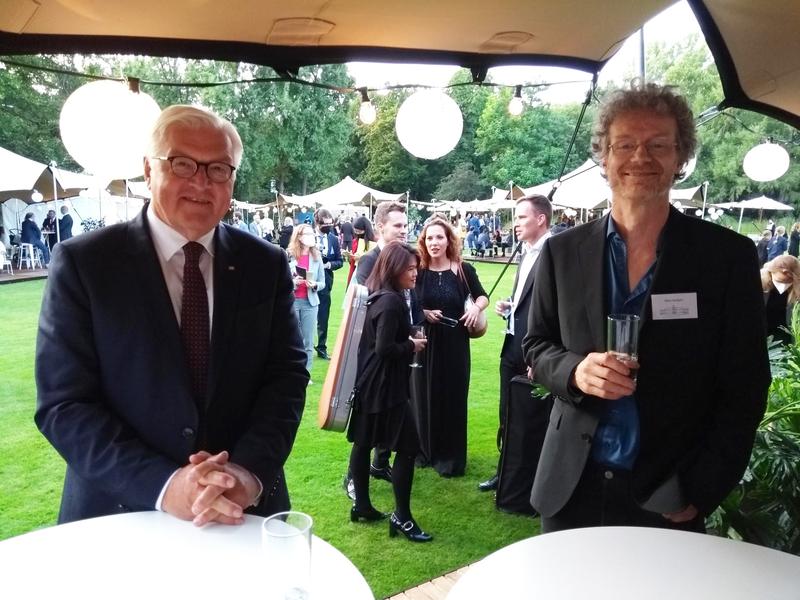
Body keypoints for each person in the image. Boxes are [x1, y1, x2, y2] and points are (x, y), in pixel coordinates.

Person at [35, 105, 308, 526]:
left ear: (232, 179)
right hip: (119, 514)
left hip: (241, 514)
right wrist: (165, 485)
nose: (201, 182)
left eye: (218, 168)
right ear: (149, 169)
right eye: (182, 164)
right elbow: (64, 405)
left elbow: (286, 377)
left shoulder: (264, 264)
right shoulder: (86, 264)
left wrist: (247, 472)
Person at [523, 82, 770, 533]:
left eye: (659, 145)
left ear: (680, 158)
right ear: (604, 156)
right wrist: (576, 372)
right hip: (570, 487)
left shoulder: (725, 258)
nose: (641, 157)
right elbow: (536, 344)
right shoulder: (562, 252)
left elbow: (746, 384)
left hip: (668, 491)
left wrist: (703, 484)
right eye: (625, 144)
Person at [347, 242, 432, 542]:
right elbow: (384, 348)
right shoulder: (392, 301)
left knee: (363, 442)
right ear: (394, 269)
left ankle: (362, 505)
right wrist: (412, 345)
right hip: (385, 387)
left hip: (370, 383)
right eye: (410, 269)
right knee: (408, 448)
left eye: (416, 269)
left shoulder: (379, 296)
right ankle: (402, 517)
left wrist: (404, 336)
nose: (414, 274)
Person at [478, 194, 552, 493]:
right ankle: (505, 472)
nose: (515, 223)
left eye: (521, 217)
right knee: (506, 411)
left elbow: (555, 309)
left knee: (533, 417)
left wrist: (540, 357)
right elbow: (529, 299)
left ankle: (532, 479)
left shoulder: (554, 253)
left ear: (540, 219)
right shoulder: (526, 252)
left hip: (535, 350)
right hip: (512, 343)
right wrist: (510, 305)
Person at [412, 216, 488, 477]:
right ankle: (424, 451)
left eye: (439, 237)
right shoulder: (418, 270)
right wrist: (424, 311)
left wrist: (476, 309)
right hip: (426, 342)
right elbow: (408, 301)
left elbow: (482, 295)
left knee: (453, 397)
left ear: (448, 240)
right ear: (424, 241)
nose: (434, 242)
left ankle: (450, 457)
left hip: (456, 342)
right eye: (430, 237)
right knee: (424, 395)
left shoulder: (462, 269)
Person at [287, 223, 326, 376]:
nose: (311, 237)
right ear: (299, 237)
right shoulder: (289, 254)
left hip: (310, 303)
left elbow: (323, 282)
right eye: (307, 234)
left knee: (308, 341)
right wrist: (293, 283)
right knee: (293, 339)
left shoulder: (316, 256)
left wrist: (315, 285)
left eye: (312, 234)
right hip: (293, 301)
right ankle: (292, 371)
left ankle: (306, 373)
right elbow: (281, 280)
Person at [313, 208, 343, 360]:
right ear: (317, 222)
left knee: (323, 316)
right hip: (308, 282)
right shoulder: (308, 237)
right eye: (325, 224)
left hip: (325, 283)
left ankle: (321, 347)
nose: (328, 226)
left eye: (330, 224)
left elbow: (340, 261)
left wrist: (328, 265)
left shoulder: (333, 239)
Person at [761, 255, 800, 345]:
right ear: (771, 272)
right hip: (761, 332)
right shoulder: (760, 284)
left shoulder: (796, 289)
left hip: (783, 336)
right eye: (780, 281)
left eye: (788, 282)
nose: (783, 285)